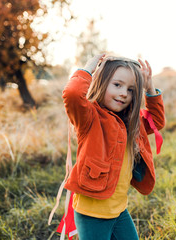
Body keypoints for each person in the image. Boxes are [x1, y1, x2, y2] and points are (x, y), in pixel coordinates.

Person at [62, 53, 165, 240]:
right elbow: (73, 94)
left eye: (131, 89)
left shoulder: (132, 122)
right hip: (92, 213)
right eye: (117, 85)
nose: (124, 93)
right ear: (101, 82)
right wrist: (88, 68)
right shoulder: (90, 118)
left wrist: (149, 87)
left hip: (119, 210)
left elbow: (156, 121)